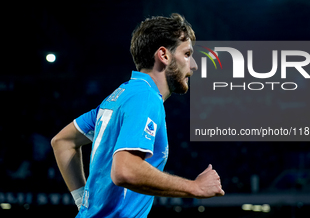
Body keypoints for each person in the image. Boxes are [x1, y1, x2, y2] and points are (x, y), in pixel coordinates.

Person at [51, 13, 224, 217]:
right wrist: (195, 187)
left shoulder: (119, 97)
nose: (193, 65)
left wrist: (83, 202)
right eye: (187, 54)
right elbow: (125, 171)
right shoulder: (146, 97)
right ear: (164, 55)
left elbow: (62, 142)